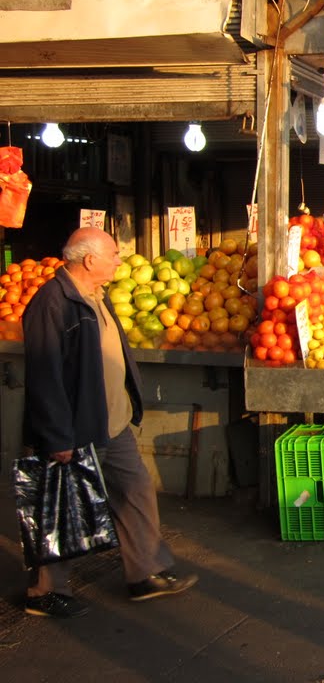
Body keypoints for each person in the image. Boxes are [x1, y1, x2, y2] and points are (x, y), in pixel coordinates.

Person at [21, 228, 198, 618]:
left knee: (135, 491)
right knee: (63, 509)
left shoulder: (97, 297)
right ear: (89, 260)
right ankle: (43, 591)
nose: (119, 261)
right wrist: (56, 436)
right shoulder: (52, 304)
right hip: (75, 427)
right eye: (114, 255)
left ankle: (145, 573)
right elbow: (44, 377)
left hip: (112, 423)